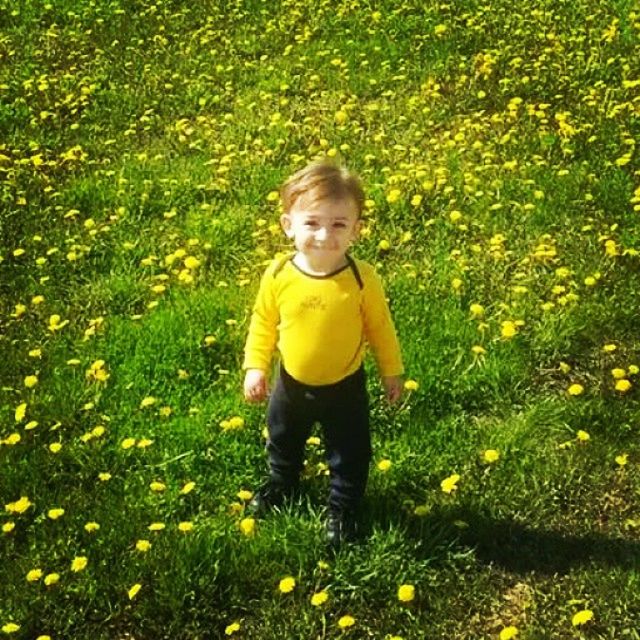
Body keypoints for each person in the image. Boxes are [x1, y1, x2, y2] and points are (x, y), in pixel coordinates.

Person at [242, 159, 404, 547]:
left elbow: (380, 327)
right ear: (288, 226)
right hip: (290, 383)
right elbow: (263, 322)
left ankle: (343, 508)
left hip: (345, 387)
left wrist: (391, 371)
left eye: (338, 225)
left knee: (350, 452)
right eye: (312, 223)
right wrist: (255, 366)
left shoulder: (361, 278)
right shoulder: (279, 273)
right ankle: (282, 483)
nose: (323, 236)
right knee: (282, 439)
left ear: (357, 230)